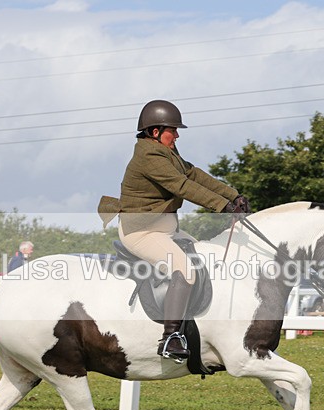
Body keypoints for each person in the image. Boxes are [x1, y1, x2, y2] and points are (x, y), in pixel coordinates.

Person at [98, 99, 250, 361]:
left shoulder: (167, 151)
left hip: (165, 230)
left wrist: (233, 195)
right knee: (184, 270)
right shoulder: (149, 156)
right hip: (142, 233)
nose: (177, 134)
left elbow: (193, 174)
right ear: (154, 132)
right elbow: (182, 186)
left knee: (207, 257)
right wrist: (222, 206)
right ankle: (170, 337)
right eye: (173, 130)